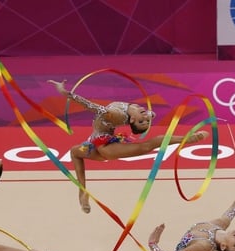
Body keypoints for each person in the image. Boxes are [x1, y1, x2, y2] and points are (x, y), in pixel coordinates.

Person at [48, 79, 210, 213]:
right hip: (94, 142)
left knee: (146, 147)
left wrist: (66, 94)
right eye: (145, 120)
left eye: (142, 120)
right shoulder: (143, 112)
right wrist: (147, 118)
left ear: (131, 121)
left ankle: (189, 139)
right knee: (74, 152)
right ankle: (83, 192)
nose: (146, 117)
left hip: (105, 146)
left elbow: (91, 106)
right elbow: (149, 115)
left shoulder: (117, 116)